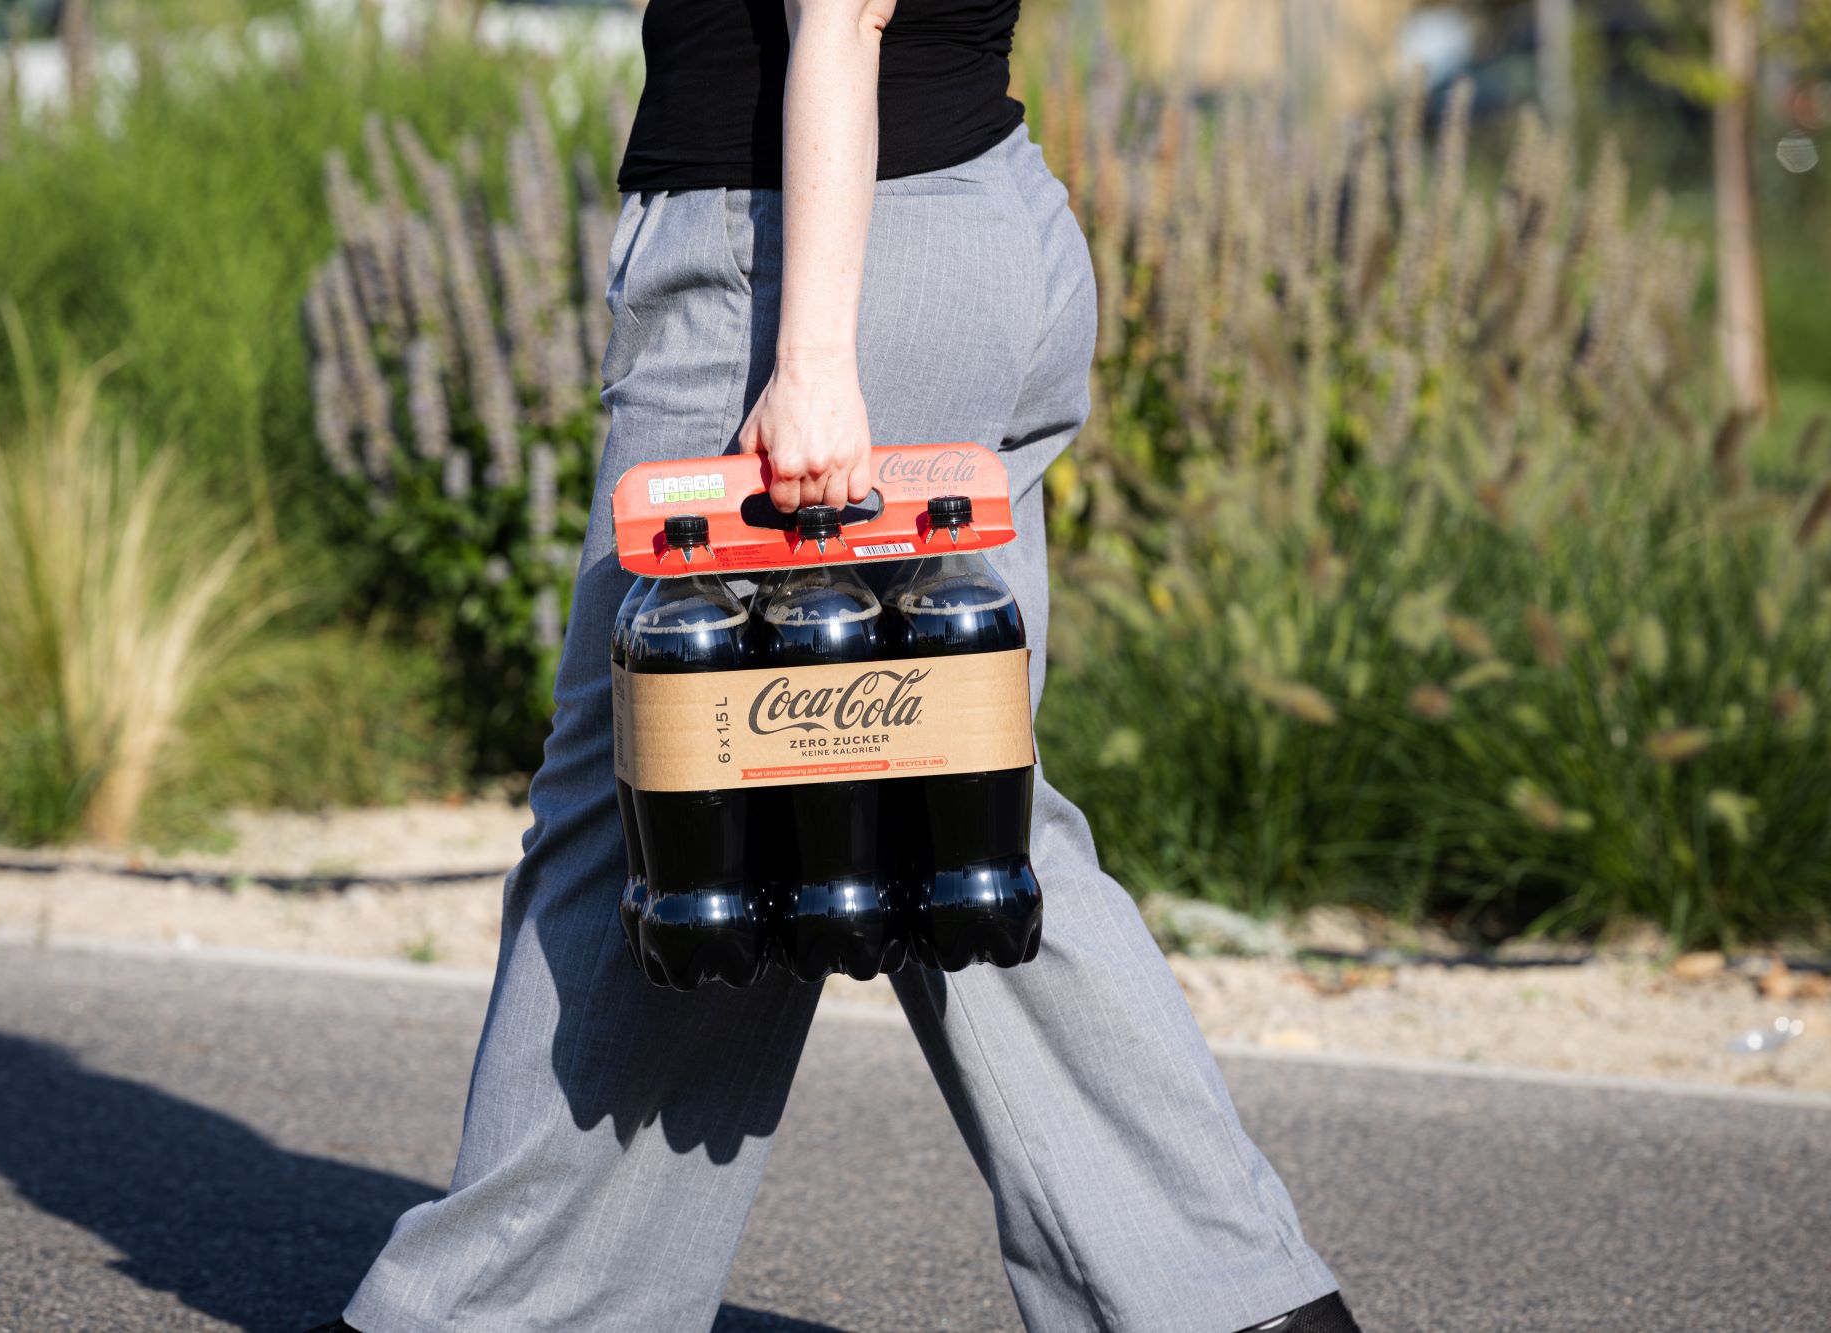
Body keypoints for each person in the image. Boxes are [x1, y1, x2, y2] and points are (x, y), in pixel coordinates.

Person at [313, 0, 1361, 1328]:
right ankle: (1227, 1300)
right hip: (960, 211)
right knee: (953, 802)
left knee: (669, 793)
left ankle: (503, 1314)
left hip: (807, 258)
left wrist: (813, 359)